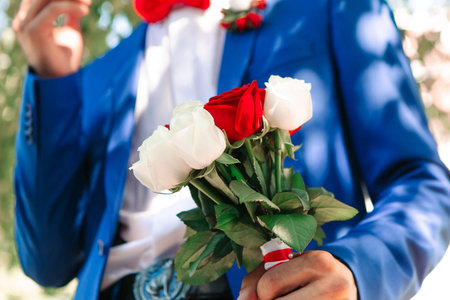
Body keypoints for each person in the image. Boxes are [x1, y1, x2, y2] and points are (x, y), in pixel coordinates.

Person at [12, 0, 450, 299]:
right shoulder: (98, 75)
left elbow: (421, 182)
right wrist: (51, 76)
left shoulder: (328, 7)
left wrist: (359, 270)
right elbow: (48, 261)